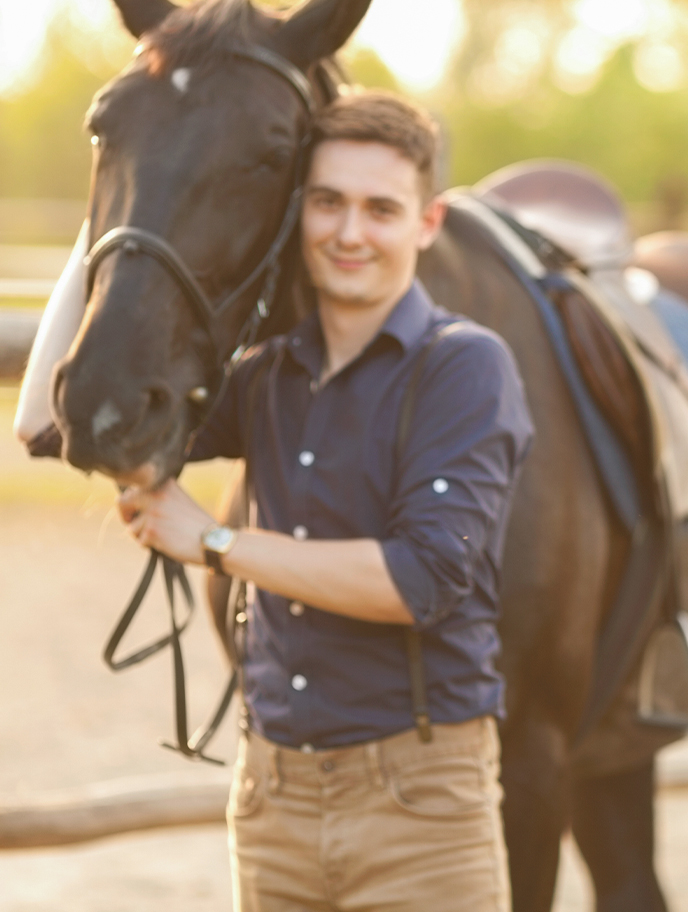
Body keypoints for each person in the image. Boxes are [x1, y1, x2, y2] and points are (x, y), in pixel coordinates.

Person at [116, 90, 533, 911]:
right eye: (328, 202)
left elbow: (422, 580)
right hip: (270, 798)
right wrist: (120, 238)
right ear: (298, 211)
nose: (349, 233)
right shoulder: (264, 374)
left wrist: (214, 542)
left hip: (421, 806)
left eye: (381, 209)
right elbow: (74, 422)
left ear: (427, 223)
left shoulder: (466, 368)